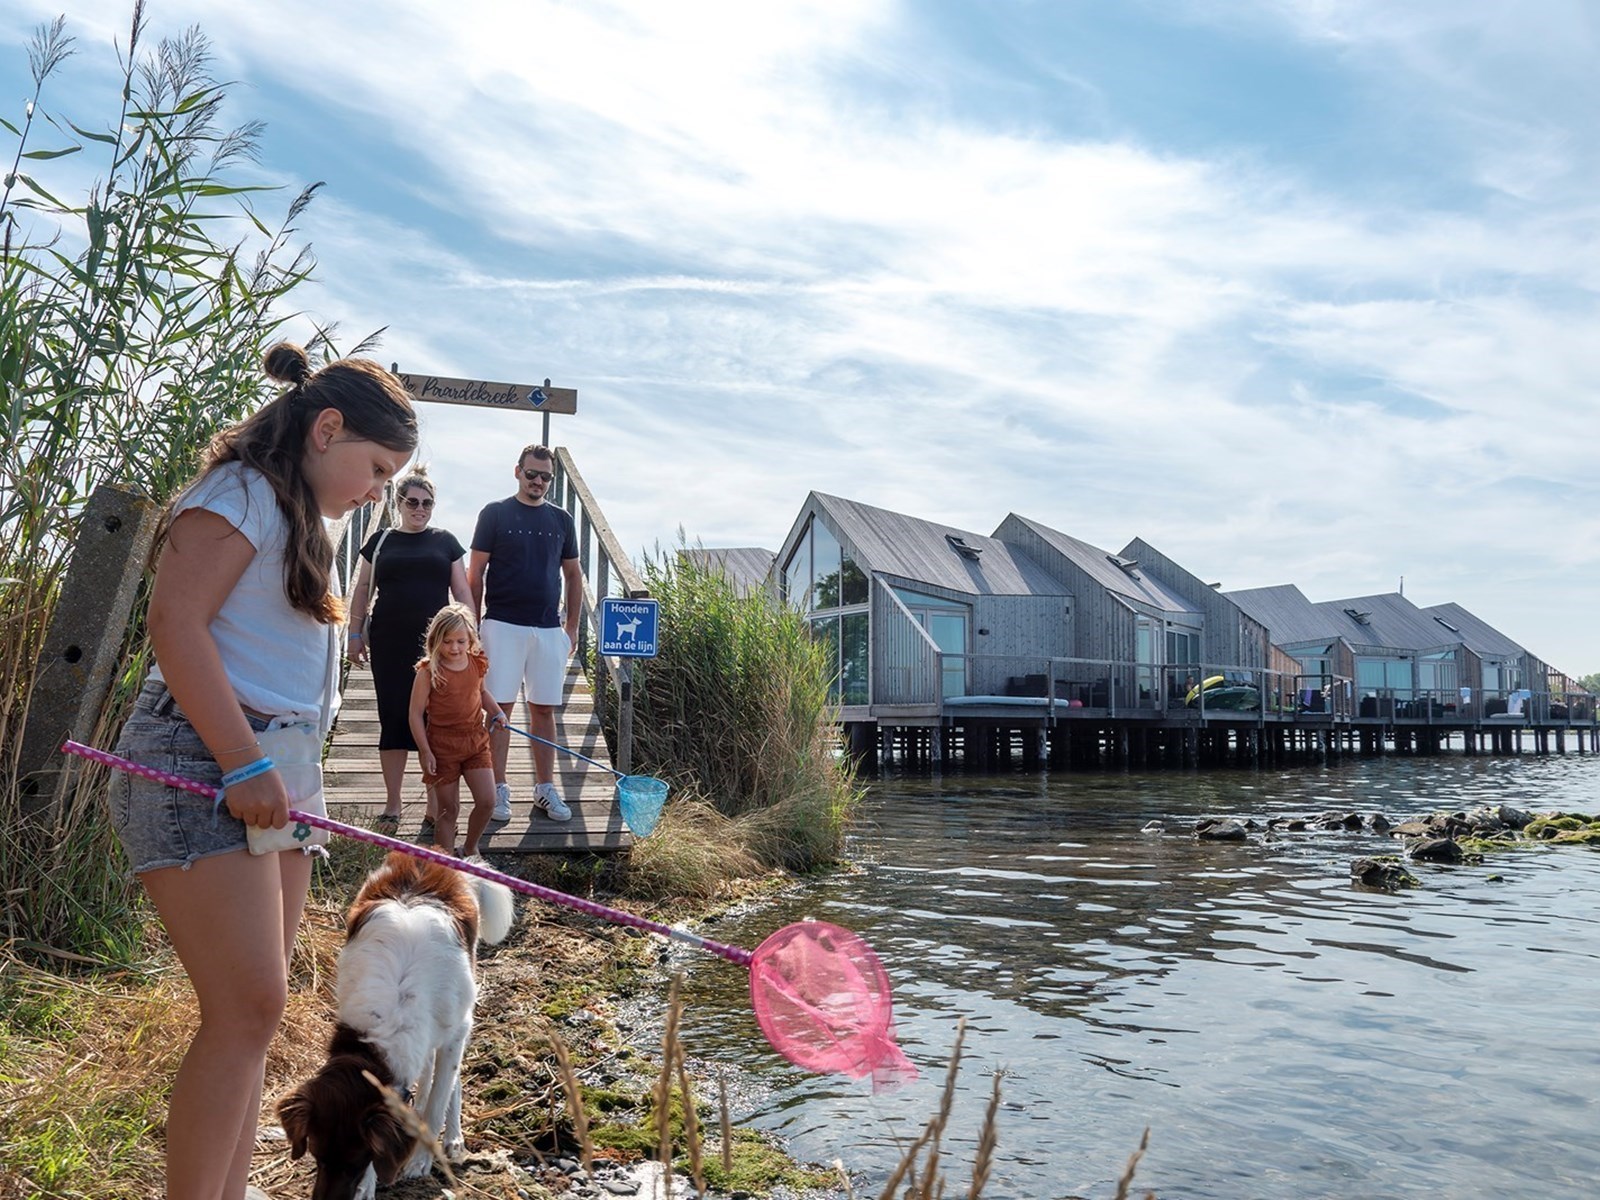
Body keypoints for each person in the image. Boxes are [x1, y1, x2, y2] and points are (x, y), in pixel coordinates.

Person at [109, 342, 416, 1200]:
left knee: (256, 1020)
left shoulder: (302, 518)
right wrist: (243, 761)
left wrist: (273, 767)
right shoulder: (239, 493)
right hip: (206, 758)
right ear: (327, 429)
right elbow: (174, 623)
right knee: (245, 1011)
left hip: (276, 769)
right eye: (377, 468)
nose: (378, 491)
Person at [345, 465, 471, 833]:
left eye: (427, 503)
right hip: (389, 640)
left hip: (436, 646)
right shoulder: (380, 541)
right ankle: (393, 803)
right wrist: (354, 634)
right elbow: (362, 589)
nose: (420, 508)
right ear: (399, 503)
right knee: (393, 718)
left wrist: (471, 637)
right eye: (413, 502)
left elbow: (462, 591)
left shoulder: (446, 541)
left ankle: (434, 805)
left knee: (435, 720)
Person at [468, 444, 582, 824]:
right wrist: (474, 626)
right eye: (531, 474)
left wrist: (571, 628)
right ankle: (498, 787)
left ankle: (544, 788)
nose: (538, 481)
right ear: (517, 471)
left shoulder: (562, 519)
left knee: (544, 709)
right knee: (499, 708)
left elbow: (573, 575)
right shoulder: (495, 513)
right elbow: (475, 573)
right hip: (501, 623)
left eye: (545, 476)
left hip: (547, 628)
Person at [408, 603, 504, 856]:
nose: (454, 648)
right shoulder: (428, 671)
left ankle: (470, 848)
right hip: (441, 746)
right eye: (447, 641)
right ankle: (446, 863)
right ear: (435, 640)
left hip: (475, 741)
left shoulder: (477, 663)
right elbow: (415, 715)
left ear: (470, 638)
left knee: (488, 801)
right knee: (448, 810)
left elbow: (482, 693)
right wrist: (425, 751)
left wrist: (497, 712)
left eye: (461, 641)